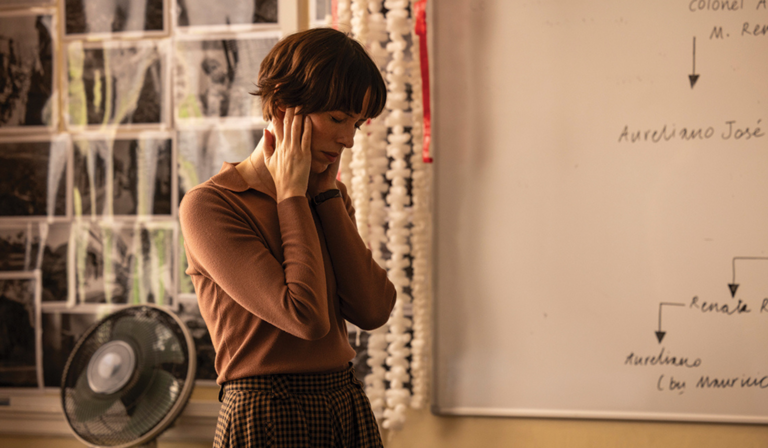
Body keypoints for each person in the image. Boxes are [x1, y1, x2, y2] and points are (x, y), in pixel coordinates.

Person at [179, 27, 396, 448]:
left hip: (344, 404)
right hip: (265, 414)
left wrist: (325, 196)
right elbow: (306, 317)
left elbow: (373, 310)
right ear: (281, 106)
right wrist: (291, 195)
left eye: (356, 123)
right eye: (337, 119)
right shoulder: (211, 205)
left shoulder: (328, 195)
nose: (348, 140)